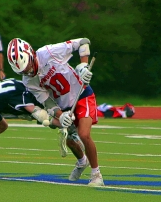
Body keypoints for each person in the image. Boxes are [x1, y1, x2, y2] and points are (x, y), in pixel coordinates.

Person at [7, 38, 104, 186]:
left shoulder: (49, 52)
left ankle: (96, 175)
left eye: (28, 66)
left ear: (31, 54)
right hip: (64, 106)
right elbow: (47, 102)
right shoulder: (28, 80)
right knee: (71, 141)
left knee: (84, 134)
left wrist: (83, 66)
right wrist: (61, 115)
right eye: (24, 71)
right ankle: (81, 162)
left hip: (82, 94)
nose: (29, 71)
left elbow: (83, 42)